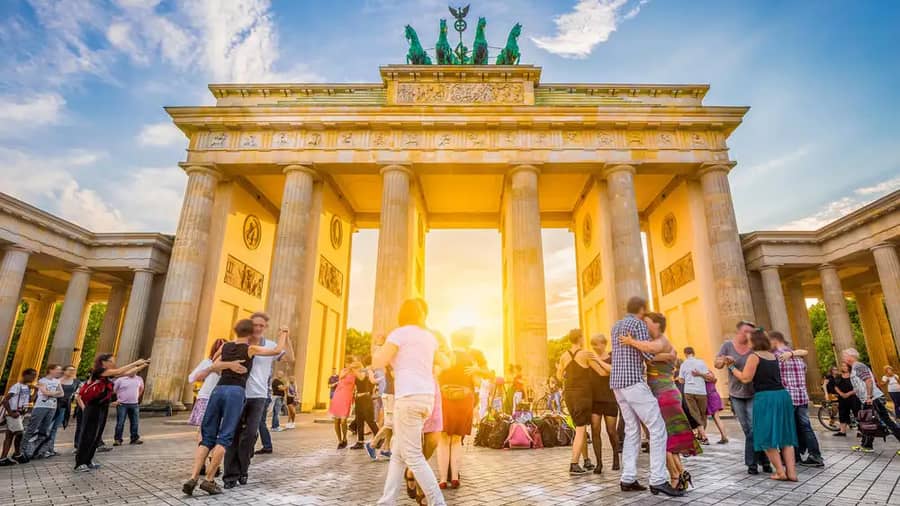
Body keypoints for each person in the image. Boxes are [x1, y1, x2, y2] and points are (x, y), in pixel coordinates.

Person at [181, 319, 287, 496]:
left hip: (218, 390)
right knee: (225, 437)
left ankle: (192, 477)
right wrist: (284, 332)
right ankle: (208, 480)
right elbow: (277, 351)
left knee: (207, 437)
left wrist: (226, 365)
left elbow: (212, 365)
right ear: (251, 333)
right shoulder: (250, 349)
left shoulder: (225, 346)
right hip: (236, 392)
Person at [374, 298, 449, 506]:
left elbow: (377, 362)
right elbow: (442, 361)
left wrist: (380, 344)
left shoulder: (399, 334)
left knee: (414, 457)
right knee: (398, 454)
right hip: (426, 398)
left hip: (407, 398)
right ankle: (387, 501)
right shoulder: (429, 337)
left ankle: (438, 502)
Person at [610, 297, 682, 497]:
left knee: (632, 430)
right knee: (657, 428)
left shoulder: (616, 326)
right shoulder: (639, 325)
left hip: (617, 384)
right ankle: (658, 480)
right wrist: (667, 355)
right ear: (642, 310)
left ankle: (628, 478)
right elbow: (649, 355)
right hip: (633, 381)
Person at [621, 313, 700, 491]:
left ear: (657, 325)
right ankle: (680, 473)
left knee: (660, 437)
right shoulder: (658, 345)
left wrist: (631, 343)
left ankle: (675, 477)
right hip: (665, 394)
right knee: (667, 437)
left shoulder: (661, 344)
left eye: (646, 322)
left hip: (664, 395)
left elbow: (650, 353)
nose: (643, 325)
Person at [223, 311, 291, 488]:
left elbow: (290, 358)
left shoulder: (269, 345)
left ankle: (243, 469)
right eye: (255, 325)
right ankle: (230, 476)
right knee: (233, 434)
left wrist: (286, 336)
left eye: (262, 325)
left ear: (265, 327)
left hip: (259, 396)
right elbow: (217, 362)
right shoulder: (238, 344)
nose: (258, 328)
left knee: (251, 434)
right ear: (249, 325)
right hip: (238, 393)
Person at [727, 329, 798, 482]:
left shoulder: (754, 356)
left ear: (754, 341)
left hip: (766, 397)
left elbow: (746, 378)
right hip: (782, 396)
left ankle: (780, 472)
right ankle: (791, 473)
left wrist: (732, 368)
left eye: (749, 340)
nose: (748, 343)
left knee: (765, 436)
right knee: (786, 436)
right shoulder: (773, 356)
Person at [75, 355, 150, 472]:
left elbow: (126, 373)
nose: (113, 363)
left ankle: (88, 460)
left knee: (96, 434)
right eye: (111, 361)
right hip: (92, 407)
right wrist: (136, 362)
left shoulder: (108, 374)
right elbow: (120, 371)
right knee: (88, 434)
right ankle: (80, 463)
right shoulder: (99, 371)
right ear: (103, 362)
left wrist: (143, 364)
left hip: (102, 407)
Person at [716, 320, 771, 475]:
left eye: (751, 333)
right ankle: (763, 460)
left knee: (755, 428)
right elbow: (717, 363)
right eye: (746, 332)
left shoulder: (754, 347)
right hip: (736, 393)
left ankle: (754, 463)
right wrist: (724, 360)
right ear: (739, 332)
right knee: (747, 430)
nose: (749, 335)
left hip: (754, 392)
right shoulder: (727, 345)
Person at [436, 327, 488, 488]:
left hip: (445, 398)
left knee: (443, 439)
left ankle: (443, 479)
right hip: (464, 399)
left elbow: (436, 376)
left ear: (452, 341)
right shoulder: (470, 360)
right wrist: (476, 370)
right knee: (457, 440)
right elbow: (478, 383)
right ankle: (455, 477)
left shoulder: (445, 357)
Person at [769, 331, 823, 467]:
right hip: (802, 396)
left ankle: (792, 457)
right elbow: (804, 370)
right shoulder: (798, 358)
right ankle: (815, 455)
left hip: (787, 397)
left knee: (787, 427)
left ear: (775, 341)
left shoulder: (777, 356)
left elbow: (775, 378)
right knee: (806, 427)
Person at [843, 348, 900, 454]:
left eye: (844, 356)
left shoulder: (858, 366)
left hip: (873, 399)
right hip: (867, 399)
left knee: (887, 421)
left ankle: (867, 445)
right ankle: (866, 445)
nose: (843, 358)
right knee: (867, 421)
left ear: (850, 356)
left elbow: (868, 380)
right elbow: (860, 385)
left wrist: (869, 396)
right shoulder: (855, 367)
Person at [556, 329, 595, 475]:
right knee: (580, 428)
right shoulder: (585, 354)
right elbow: (599, 371)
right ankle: (574, 463)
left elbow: (559, 376)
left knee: (581, 426)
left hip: (569, 394)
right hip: (582, 394)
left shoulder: (564, 356)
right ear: (580, 338)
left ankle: (586, 460)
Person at [587, 333, 620, 473]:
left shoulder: (613, 358)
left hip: (610, 398)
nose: (594, 347)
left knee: (611, 431)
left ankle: (616, 457)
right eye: (592, 344)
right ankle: (599, 463)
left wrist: (598, 361)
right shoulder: (590, 359)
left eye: (596, 344)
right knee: (595, 430)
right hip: (595, 400)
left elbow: (607, 373)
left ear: (604, 344)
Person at [24, 364, 64, 459]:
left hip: (52, 407)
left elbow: (61, 394)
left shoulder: (57, 381)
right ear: (51, 370)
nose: (60, 372)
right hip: (41, 406)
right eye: (58, 370)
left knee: (44, 430)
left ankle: (37, 451)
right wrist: (55, 393)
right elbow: (45, 393)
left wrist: (51, 394)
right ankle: (23, 450)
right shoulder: (42, 381)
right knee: (32, 428)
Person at [0, 368, 36, 466]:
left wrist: (35, 391)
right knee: (20, 433)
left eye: (35, 375)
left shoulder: (27, 388)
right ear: (25, 375)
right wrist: (11, 413)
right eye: (32, 375)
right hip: (13, 414)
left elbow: (29, 400)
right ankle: (17, 454)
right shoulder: (16, 386)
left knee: (9, 436)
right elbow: (5, 400)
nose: (34, 377)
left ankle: (3, 458)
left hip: (20, 414)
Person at [679, 347, 710, 445]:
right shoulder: (701, 362)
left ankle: (703, 436)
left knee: (694, 413)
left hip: (689, 391)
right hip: (701, 391)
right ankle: (703, 435)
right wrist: (699, 375)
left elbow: (681, 380)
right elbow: (708, 376)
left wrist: (688, 379)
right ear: (694, 352)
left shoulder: (683, 364)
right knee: (702, 414)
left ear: (685, 354)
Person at [50, 365, 80, 456]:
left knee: (55, 427)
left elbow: (79, 392)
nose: (72, 372)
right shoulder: (57, 380)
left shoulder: (76, 381)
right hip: (53, 404)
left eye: (73, 370)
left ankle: (50, 448)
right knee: (48, 426)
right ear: (64, 371)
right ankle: (43, 447)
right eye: (70, 370)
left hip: (64, 406)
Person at [351, 362, 379, 450]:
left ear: (358, 367)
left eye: (354, 368)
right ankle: (360, 442)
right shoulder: (356, 375)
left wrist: (353, 370)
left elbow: (361, 377)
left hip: (366, 399)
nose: (352, 370)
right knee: (359, 421)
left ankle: (379, 438)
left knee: (370, 420)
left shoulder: (365, 373)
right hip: (358, 399)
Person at [112, 371, 144, 446]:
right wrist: (116, 400)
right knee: (120, 423)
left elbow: (141, 389)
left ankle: (134, 439)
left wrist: (136, 397)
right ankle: (118, 440)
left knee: (135, 422)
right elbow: (113, 390)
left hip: (134, 404)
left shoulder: (139, 379)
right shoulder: (120, 380)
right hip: (122, 404)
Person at [329, 364, 356, 449]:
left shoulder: (355, 373)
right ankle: (340, 441)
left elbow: (356, 385)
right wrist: (347, 370)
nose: (349, 365)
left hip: (347, 397)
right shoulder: (343, 371)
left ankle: (345, 438)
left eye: (350, 363)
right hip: (338, 396)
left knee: (343, 420)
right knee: (337, 420)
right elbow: (341, 377)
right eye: (347, 363)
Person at [833, 363, 859, 437]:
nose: (843, 367)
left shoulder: (853, 376)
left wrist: (849, 393)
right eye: (842, 366)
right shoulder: (839, 376)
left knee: (857, 412)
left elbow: (858, 387)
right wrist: (841, 394)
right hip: (842, 398)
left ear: (849, 367)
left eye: (845, 366)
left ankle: (861, 431)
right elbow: (835, 386)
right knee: (842, 413)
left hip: (853, 397)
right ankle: (842, 431)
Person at [703, 372, 728, 443]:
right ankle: (724, 437)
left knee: (711, 418)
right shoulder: (712, 378)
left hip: (710, 397)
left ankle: (702, 436)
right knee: (716, 417)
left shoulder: (706, 377)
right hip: (714, 396)